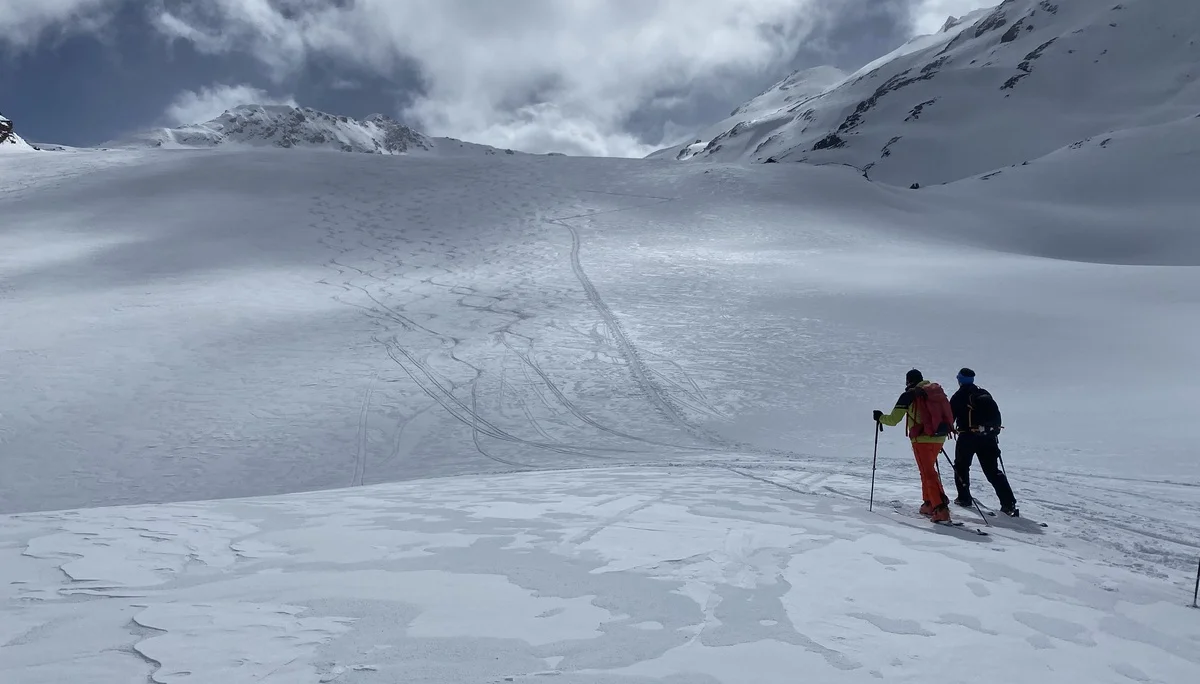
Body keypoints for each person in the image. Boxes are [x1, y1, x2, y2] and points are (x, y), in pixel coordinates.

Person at [873, 369, 953, 523]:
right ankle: (930, 502)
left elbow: (893, 420)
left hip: (922, 439)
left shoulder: (909, 395)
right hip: (939, 437)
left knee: (927, 472)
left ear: (908, 381)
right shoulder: (934, 392)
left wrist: (880, 417)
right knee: (928, 471)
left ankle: (940, 509)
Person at [949, 368, 1018, 517]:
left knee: (961, 467)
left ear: (959, 379)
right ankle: (1008, 503)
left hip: (967, 437)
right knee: (992, 471)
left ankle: (964, 498)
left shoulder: (959, 396)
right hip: (989, 437)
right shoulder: (983, 393)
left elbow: (949, 417)